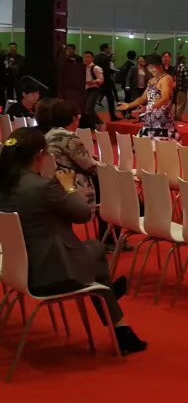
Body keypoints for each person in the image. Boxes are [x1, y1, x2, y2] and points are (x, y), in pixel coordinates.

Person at [0, 127, 147, 355]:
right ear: (40, 155)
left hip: (14, 268)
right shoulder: (43, 187)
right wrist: (69, 188)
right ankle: (118, 323)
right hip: (48, 273)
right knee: (96, 250)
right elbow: (83, 214)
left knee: (94, 255)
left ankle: (120, 324)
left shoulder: (6, 183)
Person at [37, 98, 103, 236]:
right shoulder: (68, 137)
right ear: (74, 118)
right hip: (72, 185)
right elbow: (90, 166)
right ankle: (108, 237)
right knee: (111, 186)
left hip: (54, 183)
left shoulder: (48, 135)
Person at [117, 55, 175, 139]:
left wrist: (150, 107)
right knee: (145, 142)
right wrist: (129, 105)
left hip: (162, 118)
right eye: (148, 68)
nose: (150, 70)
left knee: (160, 143)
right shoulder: (151, 80)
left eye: (152, 67)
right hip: (151, 117)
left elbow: (165, 97)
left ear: (160, 66)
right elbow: (143, 98)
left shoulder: (166, 78)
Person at [57, 44, 85, 111]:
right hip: (66, 79)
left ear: (74, 50)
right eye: (67, 49)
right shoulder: (63, 58)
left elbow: (80, 68)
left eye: (70, 49)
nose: (69, 50)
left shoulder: (79, 58)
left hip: (75, 79)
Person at [96, 44, 117, 118]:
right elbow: (106, 69)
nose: (110, 49)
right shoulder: (106, 58)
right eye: (109, 48)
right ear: (105, 49)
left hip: (97, 79)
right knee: (110, 98)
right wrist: (114, 71)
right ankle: (112, 115)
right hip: (106, 80)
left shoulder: (96, 57)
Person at [81, 50, 105, 119]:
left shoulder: (96, 68)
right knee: (88, 108)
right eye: (85, 57)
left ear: (92, 58)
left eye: (88, 57)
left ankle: (93, 123)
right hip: (86, 89)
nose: (86, 59)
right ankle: (98, 122)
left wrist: (91, 82)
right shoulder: (83, 67)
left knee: (88, 107)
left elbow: (101, 80)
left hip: (94, 89)